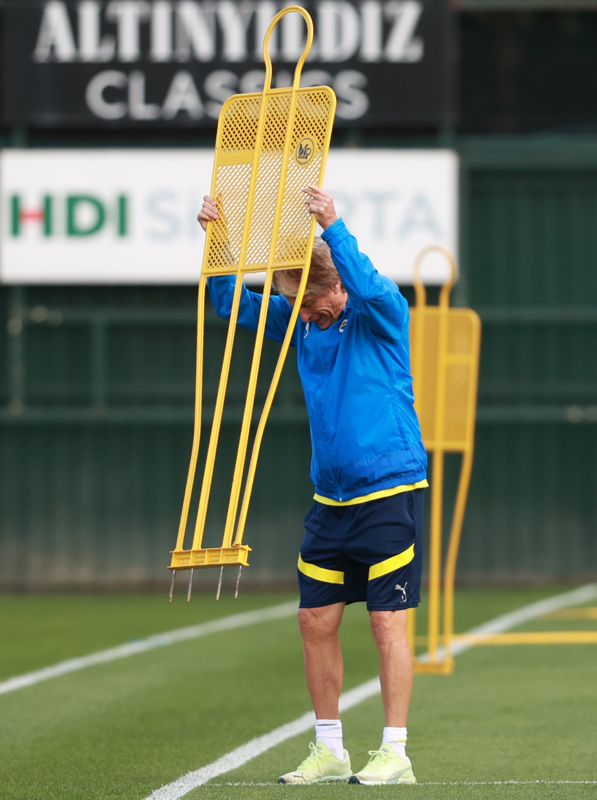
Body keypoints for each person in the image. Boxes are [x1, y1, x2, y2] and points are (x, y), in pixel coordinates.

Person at [198, 186, 428, 786]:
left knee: (386, 623)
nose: (302, 315)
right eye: (293, 305)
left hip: (388, 490)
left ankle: (396, 752)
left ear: (335, 285)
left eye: (308, 302)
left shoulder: (380, 313)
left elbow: (372, 287)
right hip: (331, 498)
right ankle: (330, 749)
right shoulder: (303, 320)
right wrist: (219, 242)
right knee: (314, 621)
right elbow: (230, 306)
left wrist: (333, 226)